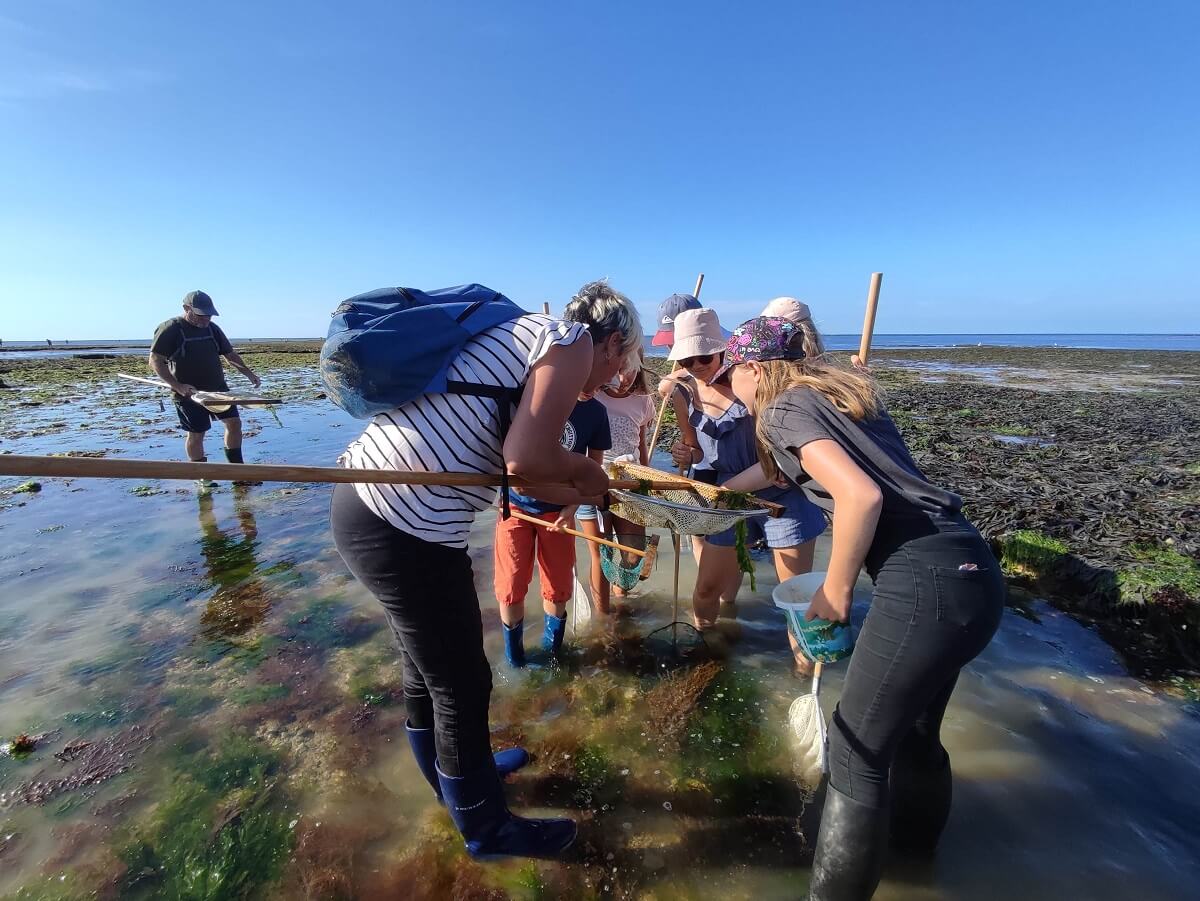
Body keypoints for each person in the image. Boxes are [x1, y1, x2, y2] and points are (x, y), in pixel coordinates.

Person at [330, 280, 641, 861]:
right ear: (614, 340)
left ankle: (459, 788)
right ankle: (486, 830)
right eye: (623, 361)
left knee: (428, 674)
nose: (613, 378)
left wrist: (581, 483)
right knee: (461, 684)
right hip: (401, 526)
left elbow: (518, 473)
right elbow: (527, 458)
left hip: (369, 508)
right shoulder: (568, 343)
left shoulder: (524, 341)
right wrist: (588, 474)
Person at [715, 316, 1005, 900]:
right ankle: (917, 865)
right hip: (972, 572)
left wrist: (837, 587)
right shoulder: (839, 396)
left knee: (854, 754)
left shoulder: (781, 409)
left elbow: (860, 496)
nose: (728, 389)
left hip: (923, 582)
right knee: (918, 734)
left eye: (729, 374)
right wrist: (710, 492)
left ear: (753, 368)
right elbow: (773, 474)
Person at [659, 308, 826, 639]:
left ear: (723, 350)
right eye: (686, 360)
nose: (694, 367)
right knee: (706, 590)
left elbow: (780, 460)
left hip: (781, 494)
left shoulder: (753, 381)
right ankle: (705, 648)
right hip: (728, 498)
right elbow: (695, 449)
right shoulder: (682, 391)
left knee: (794, 597)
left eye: (702, 358)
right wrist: (685, 452)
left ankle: (801, 669)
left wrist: (735, 486)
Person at [495, 391, 611, 666]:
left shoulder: (596, 412)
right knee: (510, 587)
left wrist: (570, 508)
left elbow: (592, 475)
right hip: (515, 507)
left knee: (558, 587)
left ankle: (552, 654)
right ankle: (515, 660)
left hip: (559, 512)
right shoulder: (528, 398)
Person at [149, 290, 261, 489]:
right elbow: (155, 361)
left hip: (218, 390)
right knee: (197, 433)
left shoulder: (212, 329)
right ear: (186, 309)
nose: (206, 319)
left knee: (234, 423)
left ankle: (238, 471)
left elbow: (230, 355)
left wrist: (249, 374)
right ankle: (202, 476)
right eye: (201, 314)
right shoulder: (170, 329)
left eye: (209, 314)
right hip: (189, 394)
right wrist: (178, 386)